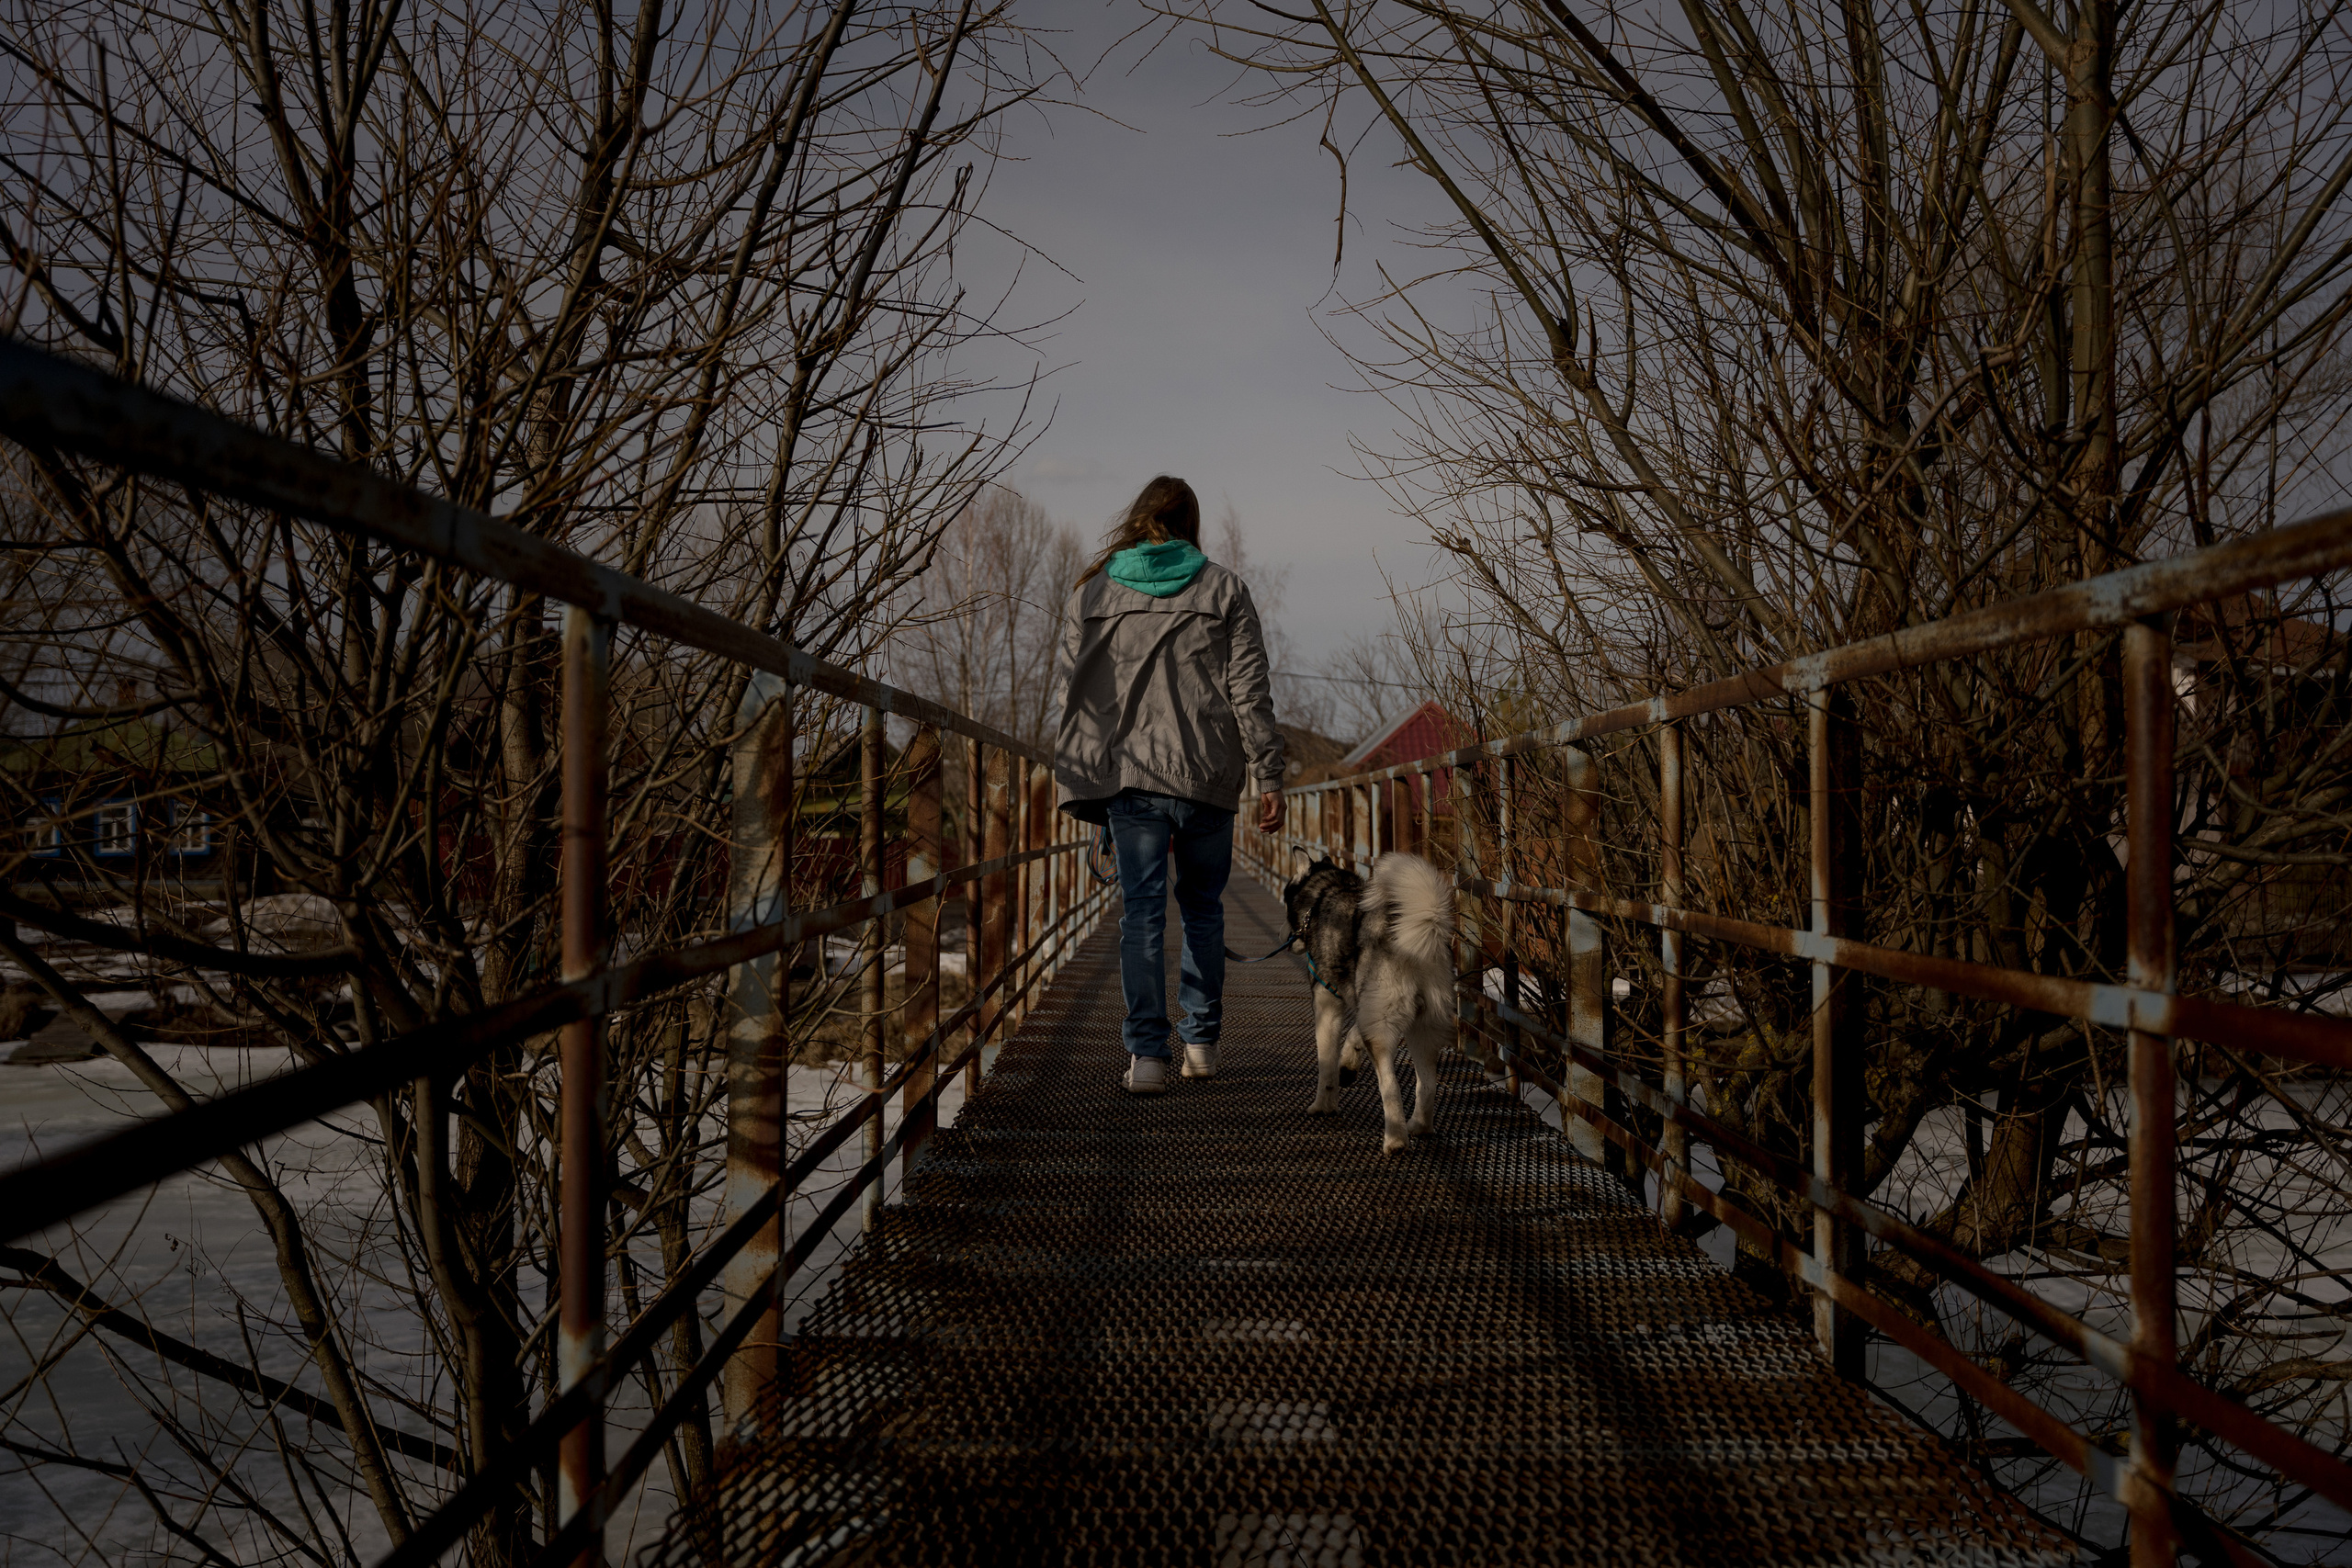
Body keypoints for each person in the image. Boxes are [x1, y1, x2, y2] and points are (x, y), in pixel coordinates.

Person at [1053, 476, 1286, 1094]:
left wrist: (1085, 774)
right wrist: (1269, 773)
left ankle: (1148, 1057)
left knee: (1142, 914)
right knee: (1204, 909)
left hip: (1131, 777)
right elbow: (1249, 689)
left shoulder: (1091, 592)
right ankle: (1202, 1044)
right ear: (1191, 524)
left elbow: (1072, 692)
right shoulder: (1224, 588)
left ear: (1138, 519)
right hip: (1207, 774)